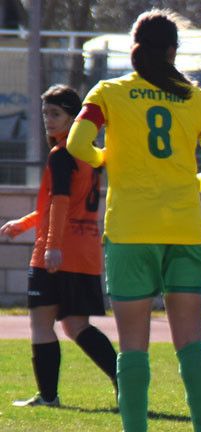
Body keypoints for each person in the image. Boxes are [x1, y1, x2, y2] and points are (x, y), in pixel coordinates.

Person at [67, 9, 201, 432]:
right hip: (184, 228)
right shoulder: (197, 99)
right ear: (172, 52)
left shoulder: (108, 94)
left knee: (133, 347)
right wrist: (190, 184)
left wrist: (105, 161)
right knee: (191, 342)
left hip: (130, 232)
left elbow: (79, 143)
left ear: (133, 49)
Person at [1, 85, 117, 409]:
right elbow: (60, 205)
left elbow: (62, 203)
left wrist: (51, 246)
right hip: (85, 249)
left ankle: (48, 397)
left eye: (56, 114)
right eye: (45, 114)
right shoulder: (90, 155)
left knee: (41, 322)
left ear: (73, 118)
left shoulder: (62, 154)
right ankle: (124, 381)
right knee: (76, 324)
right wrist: (23, 224)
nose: (48, 120)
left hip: (58, 250)